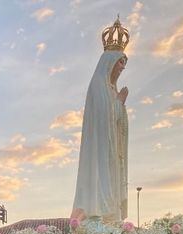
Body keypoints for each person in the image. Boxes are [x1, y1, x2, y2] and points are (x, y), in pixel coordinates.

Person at [71, 17, 129, 223]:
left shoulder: (112, 90)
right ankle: (97, 212)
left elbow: (116, 122)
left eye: (123, 63)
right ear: (109, 63)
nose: (122, 67)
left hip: (112, 150)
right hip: (100, 149)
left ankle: (109, 215)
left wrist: (119, 104)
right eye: (119, 63)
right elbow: (104, 119)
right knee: (101, 179)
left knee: (110, 178)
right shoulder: (99, 86)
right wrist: (119, 103)